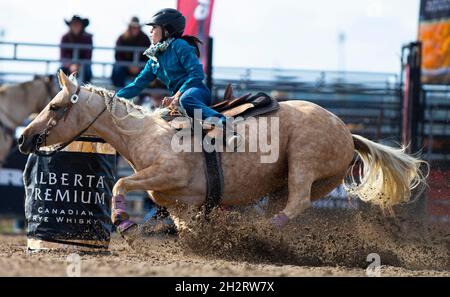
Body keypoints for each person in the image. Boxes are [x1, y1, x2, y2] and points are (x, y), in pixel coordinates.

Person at [117, 8, 240, 148]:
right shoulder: (153, 59)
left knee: (186, 99)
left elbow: (197, 74)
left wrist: (177, 95)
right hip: (178, 100)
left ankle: (226, 125)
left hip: (196, 92)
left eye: (154, 28)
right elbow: (137, 85)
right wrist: (112, 99)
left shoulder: (179, 45)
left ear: (166, 30)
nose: (150, 32)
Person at [112, 17, 151, 87]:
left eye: (137, 27)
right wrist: (128, 66)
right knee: (117, 70)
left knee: (149, 71)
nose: (135, 29)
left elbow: (149, 55)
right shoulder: (122, 38)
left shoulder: (145, 38)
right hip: (125, 67)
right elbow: (118, 56)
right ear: (129, 27)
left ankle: (143, 96)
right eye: (133, 27)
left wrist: (139, 65)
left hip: (140, 66)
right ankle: (118, 94)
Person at [60, 15, 93, 83]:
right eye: (74, 24)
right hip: (68, 65)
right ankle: (62, 91)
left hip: (83, 65)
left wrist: (78, 65)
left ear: (82, 26)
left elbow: (88, 56)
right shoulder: (65, 37)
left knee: (87, 72)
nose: (76, 26)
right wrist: (70, 65)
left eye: (78, 24)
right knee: (60, 72)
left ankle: (85, 91)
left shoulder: (88, 38)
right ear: (70, 26)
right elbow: (63, 56)